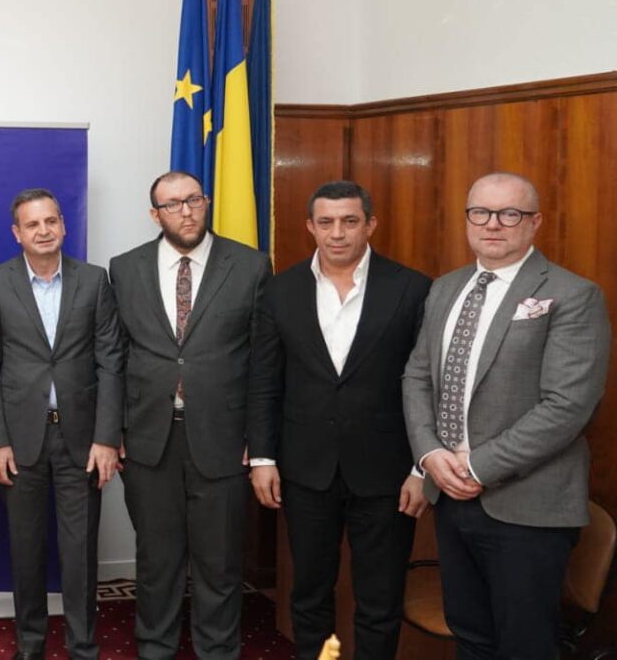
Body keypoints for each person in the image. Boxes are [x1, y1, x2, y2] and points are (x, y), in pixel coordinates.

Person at [402, 172, 610, 659]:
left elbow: (568, 407)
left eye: (509, 213)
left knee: (524, 645)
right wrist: (429, 454)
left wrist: (477, 467)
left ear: (534, 222)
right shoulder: (445, 288)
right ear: (467, 220)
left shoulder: (573, 294)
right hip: (449, 496)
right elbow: (417, 376)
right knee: (470, 634)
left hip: (527, 506)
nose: (492, 224)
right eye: (481, 212)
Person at [247, 181, 431, 659]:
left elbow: (428, 385)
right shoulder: (280, 291)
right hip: (305, 470)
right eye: (326, 222)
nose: (337, 233)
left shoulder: (412, 288)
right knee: (309, 594)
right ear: (310, 226)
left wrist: (422, 468)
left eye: (350, 221)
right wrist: (262, 457)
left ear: (370, 224)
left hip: (387, 473)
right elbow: (265, 380)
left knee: (379, 600)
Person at [107, 172, 269, 660]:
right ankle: (155, 648)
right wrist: (113, 430)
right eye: (173, 204)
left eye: (194, 200)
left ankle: (217, 650)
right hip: (148, 438)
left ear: (207, 201)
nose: (186, 211)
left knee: (219, 562)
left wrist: (258, 439)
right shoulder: (125, 268)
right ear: (155, 214)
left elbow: (264, 361)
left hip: (224, 437)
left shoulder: (250, 265)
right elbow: (114, 356)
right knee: (156, 560)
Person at [0, 188, 124, 660]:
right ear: (17, 233)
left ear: (63, 225)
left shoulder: (94, 280)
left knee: (80, 553)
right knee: (26, 549)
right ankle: (30, 645)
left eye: (50, 221)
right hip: (19, 441)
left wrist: (106, 437)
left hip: (82, 440)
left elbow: (110, 361)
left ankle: (83, 646)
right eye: (32, 224)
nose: (43, 231)